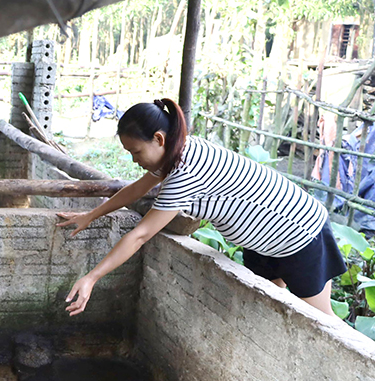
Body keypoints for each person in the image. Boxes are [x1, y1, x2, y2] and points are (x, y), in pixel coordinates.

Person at [57, 98, 346, 317]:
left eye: (136, 152)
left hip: (299, 233)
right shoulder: (177, 152)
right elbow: (137, 188)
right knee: (269, 306)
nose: (135, 160)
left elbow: (140, 235)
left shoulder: (185, 170)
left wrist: (91, 277)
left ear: (158, 139)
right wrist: (90, 215)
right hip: (264, 242)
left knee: (324, 322)